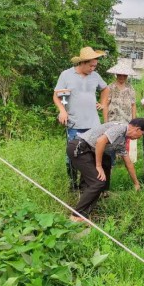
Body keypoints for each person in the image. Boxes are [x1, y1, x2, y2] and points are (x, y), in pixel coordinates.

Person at [67, 118, 144, 222]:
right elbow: (100, 141)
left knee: (107, 160)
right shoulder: (121, 128)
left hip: (87, 151)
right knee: (98, 182)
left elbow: (128, 163)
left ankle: (94, 197)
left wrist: (136, 183)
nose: (139, 138)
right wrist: (98, 166)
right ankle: (77, 216)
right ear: (137, 129)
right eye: (141, 135)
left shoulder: (121, 140)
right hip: (79, 148)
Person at [53, 46, 109, 191]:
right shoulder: (66, 75)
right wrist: (62, 111)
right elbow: (57, 96)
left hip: (93, 123)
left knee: (92, 154)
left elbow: (105, 88)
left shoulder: (95, 76)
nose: (93, 68)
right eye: (91, 65)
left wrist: (103, 103)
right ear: (82, 62)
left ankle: (87, 185)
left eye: (95, 66)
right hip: (74, 123)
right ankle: (73, 184)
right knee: (72, 155)